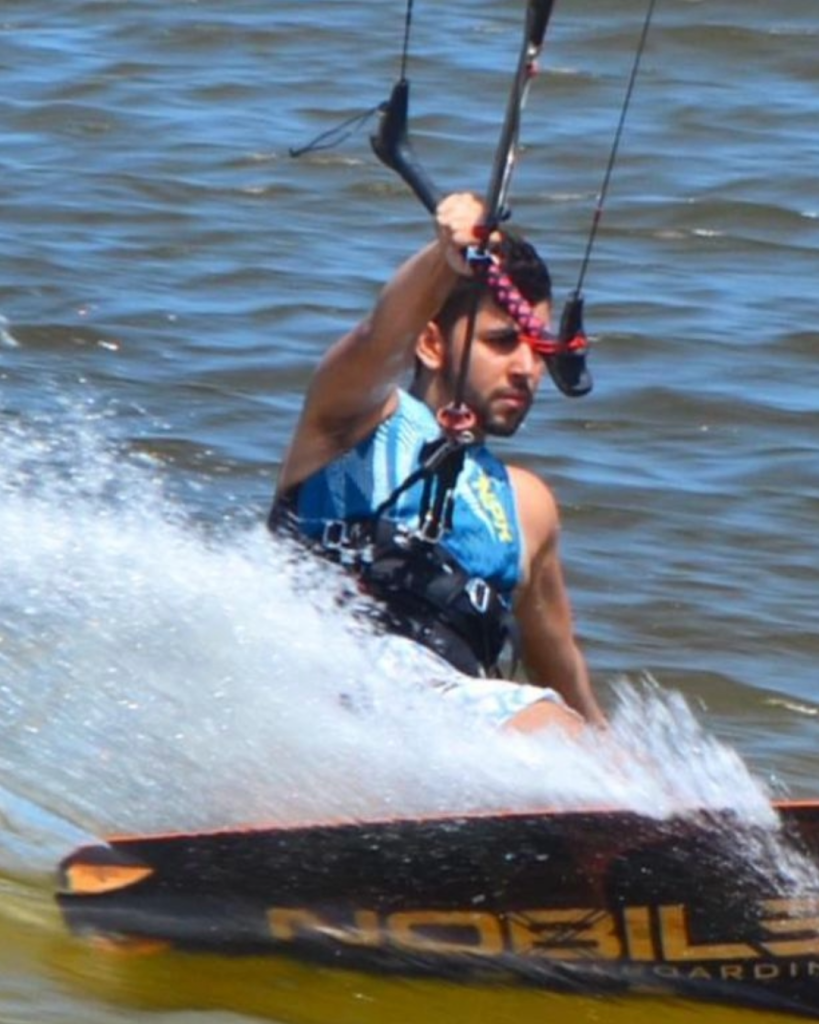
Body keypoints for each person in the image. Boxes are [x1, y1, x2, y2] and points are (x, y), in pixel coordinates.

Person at [271, 192, 605, 734]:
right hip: (315, 687)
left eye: (540, 350)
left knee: (580, 741)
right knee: (550, 729)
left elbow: (567, 681)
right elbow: (379, 336)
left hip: (438, 741)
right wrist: (443, 258)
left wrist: (633, 780)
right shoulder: (353, 420)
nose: (527, 369)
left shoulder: (526, 507)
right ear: (430, 343)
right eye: (502, 342)